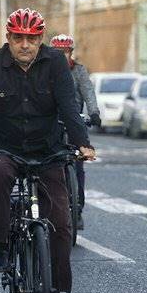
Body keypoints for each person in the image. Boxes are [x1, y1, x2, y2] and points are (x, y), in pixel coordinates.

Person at [0, 8, 95, 293]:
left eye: (32, 38)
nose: (25, 44)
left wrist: (82, 142)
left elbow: (68, 105)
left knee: (61, 223)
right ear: (8, 38)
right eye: (18, 38)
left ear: (41, 39)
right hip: (6, 146)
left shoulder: (55, 62)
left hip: (47, 149)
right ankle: (0, 243)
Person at [49, 34, 100, 229]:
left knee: (78, 166)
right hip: (51, 121)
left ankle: (77, 209)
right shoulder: (46, 70)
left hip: (74, 121)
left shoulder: (79, 71)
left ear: (71, 53)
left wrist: (94, 113)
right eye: (58, 52)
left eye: (66, 52)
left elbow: (88, 92)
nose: (63, 56)